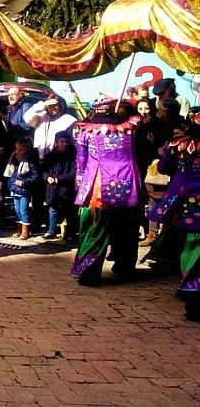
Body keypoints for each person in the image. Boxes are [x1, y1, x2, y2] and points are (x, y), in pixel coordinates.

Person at [71, 100, 142, 286]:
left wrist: (80, 188)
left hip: (97, 184)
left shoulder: (86, 132)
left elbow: (81, 161)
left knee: (95, 227)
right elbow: (138, 154)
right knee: (127, 229)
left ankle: (89, 270)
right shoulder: (131, 130)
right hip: (127, 184)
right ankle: (125, 268)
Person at [147, 107, 200, 321]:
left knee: (188, 245)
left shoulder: (177, 145)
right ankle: (192, 293)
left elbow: (164, 168)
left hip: (182, 202)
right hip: (188, 205)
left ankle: (188, 291)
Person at [42, 131, 78, 242]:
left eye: (67, 142)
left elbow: (74, 173)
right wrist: (47, 177)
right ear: (57, 142)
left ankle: (70, 234)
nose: (64, 144)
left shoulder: (73, 155)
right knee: (52, 209)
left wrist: (60, 178)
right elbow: (44, 170)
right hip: (52, 188)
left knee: (70, 212)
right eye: (62, 142)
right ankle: (52, 230)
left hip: (67, 188)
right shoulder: (51, 155)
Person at [6, 137, 40, 240]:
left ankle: (26, 231)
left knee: (23, 210)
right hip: (15, 189)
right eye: (16, 149)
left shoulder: (30, 161)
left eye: (20, 149)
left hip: (24, 190)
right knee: (16, 210)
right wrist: (11, 184)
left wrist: (24, 182)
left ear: (27, 149)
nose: (17, 151)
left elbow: (35, 176)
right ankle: (18, 229)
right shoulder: (14, 160)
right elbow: (11, 174)